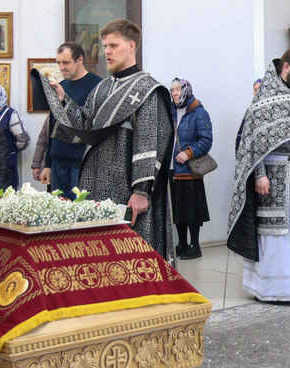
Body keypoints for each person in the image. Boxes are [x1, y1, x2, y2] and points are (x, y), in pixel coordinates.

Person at [40, 18, 176, 260]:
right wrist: (63, 100)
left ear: (131, 46)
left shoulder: (147, 90)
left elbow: (149, 142)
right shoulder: (103, 88)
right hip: (95, 184)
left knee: (129, 255)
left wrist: (141, 191)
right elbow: (85, 126)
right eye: (105, 47)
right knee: (97, 254)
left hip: (126, 188)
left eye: (113, 46)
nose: (107, 52)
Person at [229, 47, 290, 302]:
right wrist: (259, 174)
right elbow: (251, 142)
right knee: (278, 235)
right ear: (286, 67)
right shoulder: (264, 99)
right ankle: (276, 289)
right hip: (277, 175)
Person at [43, 42, 102, 199]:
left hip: (82, 164)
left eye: (66, 62)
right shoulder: (60, 86)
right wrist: (47, 164)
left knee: (81, 211)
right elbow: (53, 126)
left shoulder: (98, 86)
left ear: (79, 59)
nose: (61, 67)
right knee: (57, 211)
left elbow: (96, 127)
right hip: (57, 163)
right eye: (59, 63)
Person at [169, 78, 212, 260]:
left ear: (186, 90)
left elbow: (206, 140)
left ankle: (195, 246)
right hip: (172, 170)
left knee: (192, 210)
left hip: (189, 171)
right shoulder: (170, 111)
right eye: (172, 90)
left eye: (178, 89)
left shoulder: (199, 112)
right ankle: (183, 244)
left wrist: (188, 153)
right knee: (178, 210)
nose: (175, 93)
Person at [0, 83, 29, 189]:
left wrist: (10, 150)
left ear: (2, 96)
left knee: (7, 192)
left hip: (7, 163)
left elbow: (24, 140)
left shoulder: (11, 114)